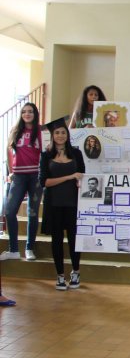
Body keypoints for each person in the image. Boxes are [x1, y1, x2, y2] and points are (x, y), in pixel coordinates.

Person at [39, 120, 85, 290]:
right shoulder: (46, 155)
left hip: (73, 204)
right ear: (52, 135)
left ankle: (76, 272)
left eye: (63, 132)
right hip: (54, 204)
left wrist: (79, 180)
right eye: (57, 133)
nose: (60, 136)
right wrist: (69, 177)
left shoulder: (76, 154)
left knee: (74, 240)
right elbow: (44, 182)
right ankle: (60, 275)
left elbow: (82, 175)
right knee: (56, 240)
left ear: (67, 135)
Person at [1, 103, 43, 262]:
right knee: (10, 212)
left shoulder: (40, 131)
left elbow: (46, 151)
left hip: (35, 176)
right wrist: (11, 172)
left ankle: (29, 248)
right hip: (18, 176)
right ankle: (13, 250)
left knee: (33, 212)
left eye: (30, 111)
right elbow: (8, 150)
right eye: (24, 111)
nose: (27, 114)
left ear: (35, 113)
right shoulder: (15, 130)